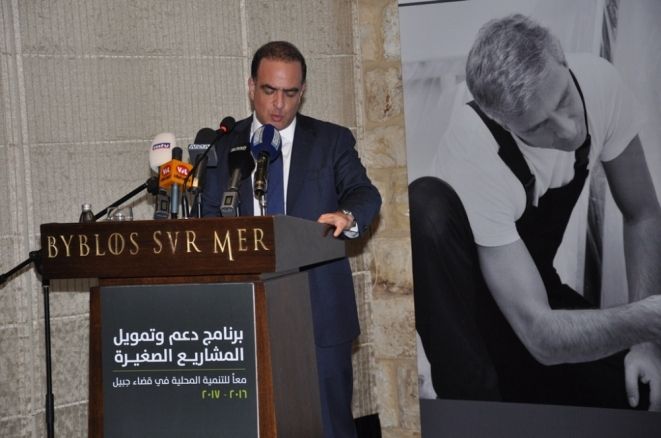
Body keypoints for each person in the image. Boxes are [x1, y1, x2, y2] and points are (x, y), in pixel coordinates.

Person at [410, 14, 661, 410]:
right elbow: (540, 335)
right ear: (503, 122)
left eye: (563, 100)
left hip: (539, 301)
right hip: (476, 336)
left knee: (645, 396)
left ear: (561, 58)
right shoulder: (474, 145)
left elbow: (643, 213)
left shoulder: (600, 83)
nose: (567, 129)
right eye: (538, 126)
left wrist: (645, 344)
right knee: (424, 202)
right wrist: (643, 319)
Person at [202, 41, 381, 437]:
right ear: (251, 86)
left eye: (290, 92)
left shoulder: (331, 140)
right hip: (242, 314)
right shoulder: (224, 146)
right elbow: (208, 218)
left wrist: (347, 216)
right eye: (269, 90)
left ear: (303, 91)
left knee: (330, 426)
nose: (279, 104)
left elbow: (364, 193)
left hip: (320, 313)